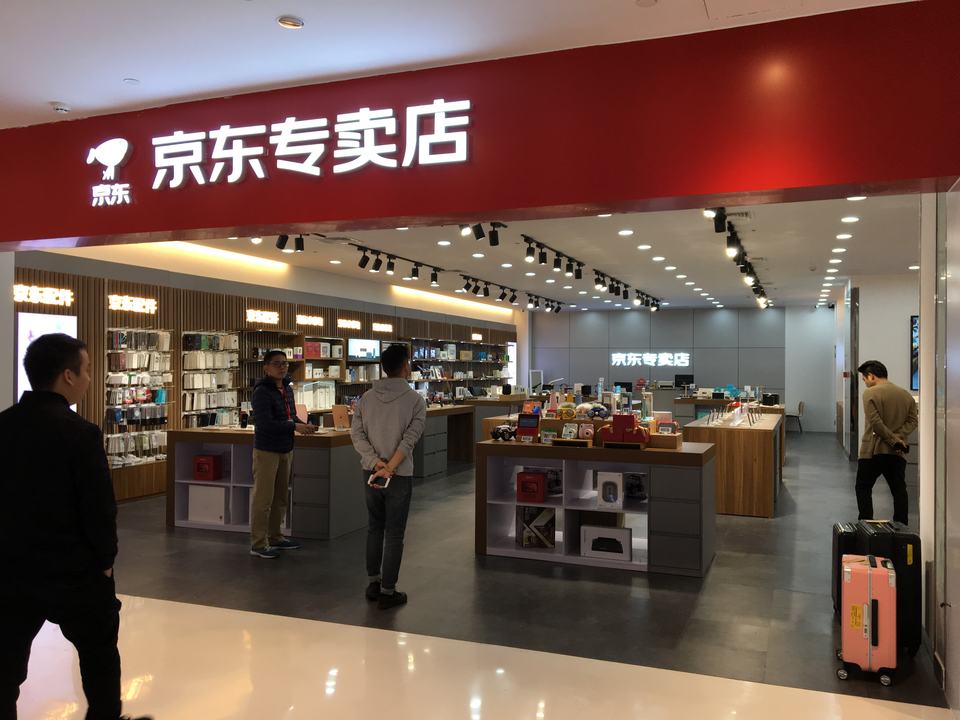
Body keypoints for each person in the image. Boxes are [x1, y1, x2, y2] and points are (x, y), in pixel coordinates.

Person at [0, 333, 150, 720]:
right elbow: (98, 508)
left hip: (11, 567)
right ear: (68, 376)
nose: (89, 379)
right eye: (86, 370)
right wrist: (106, 560)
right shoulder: (80, 433)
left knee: (5, 665)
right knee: (99, 655)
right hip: (74, 568)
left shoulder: (4, 425)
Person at [350, 344, 425, 609]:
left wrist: (376, 464)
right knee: (394, 532)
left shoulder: (366, 398)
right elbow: (409, 440)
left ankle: (373, 582)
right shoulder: (415, 400)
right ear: (405, 366)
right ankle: (388, 591)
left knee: (375, 526)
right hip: (399, 475)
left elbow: (357, 434)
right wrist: (390, 467)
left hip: (371, 473)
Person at [250, 350, 317, 559]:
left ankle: (276, 536)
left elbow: (291, 416)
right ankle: (258, 543)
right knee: (263, 499)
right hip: (267, 450)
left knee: (280, 497)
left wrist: (303, 425)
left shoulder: (287, 388)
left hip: (285, 448)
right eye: (277, 363)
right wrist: (294, 427)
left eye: (285, 364)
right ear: (266, 367)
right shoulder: (261, 392)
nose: (282, 367)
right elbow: (265, 424)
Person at [856, 360, 918, 526]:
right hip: (897, 452)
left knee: (863, 487)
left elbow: (875, 423)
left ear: (872, 376)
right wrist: (898, 439)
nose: (865, 382)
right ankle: (901, 526)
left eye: (864, 378)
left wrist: (891, 439)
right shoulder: (905, 395)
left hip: (872, 451)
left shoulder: (870, 393)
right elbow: (913, 421)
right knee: (899, 490)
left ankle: (866, 524)